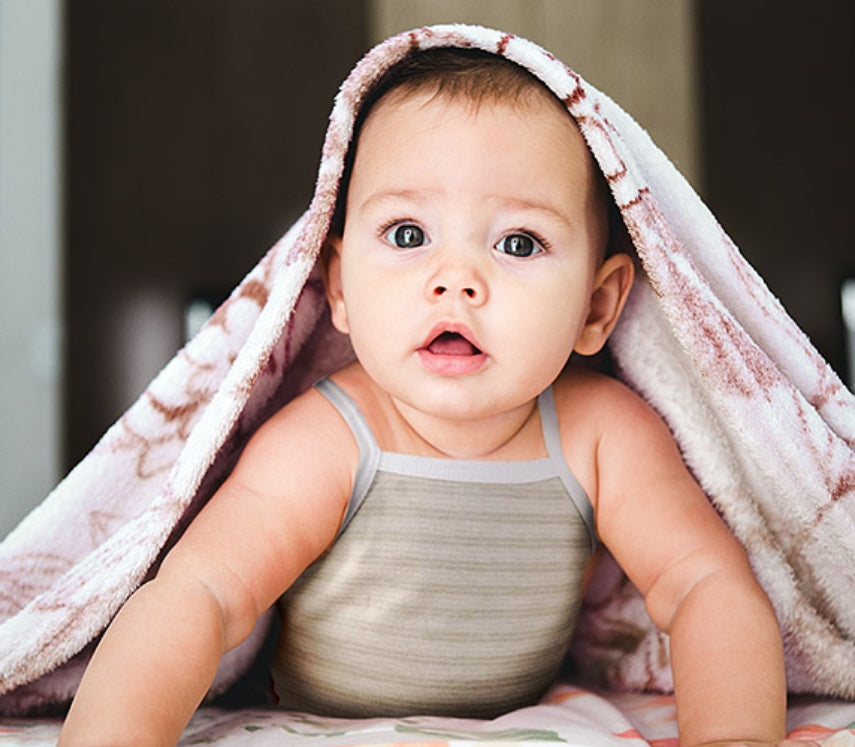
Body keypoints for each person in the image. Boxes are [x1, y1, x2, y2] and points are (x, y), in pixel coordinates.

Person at [60, 47, 799, 747]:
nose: (455, 279)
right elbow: (203, 595)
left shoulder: (601, 432)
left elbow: (703, 583)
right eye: (408, 232)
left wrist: (732, 734)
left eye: (517, 243)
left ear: (596, 308)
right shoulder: (327, 437)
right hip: (321, 716)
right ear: (340, 286)